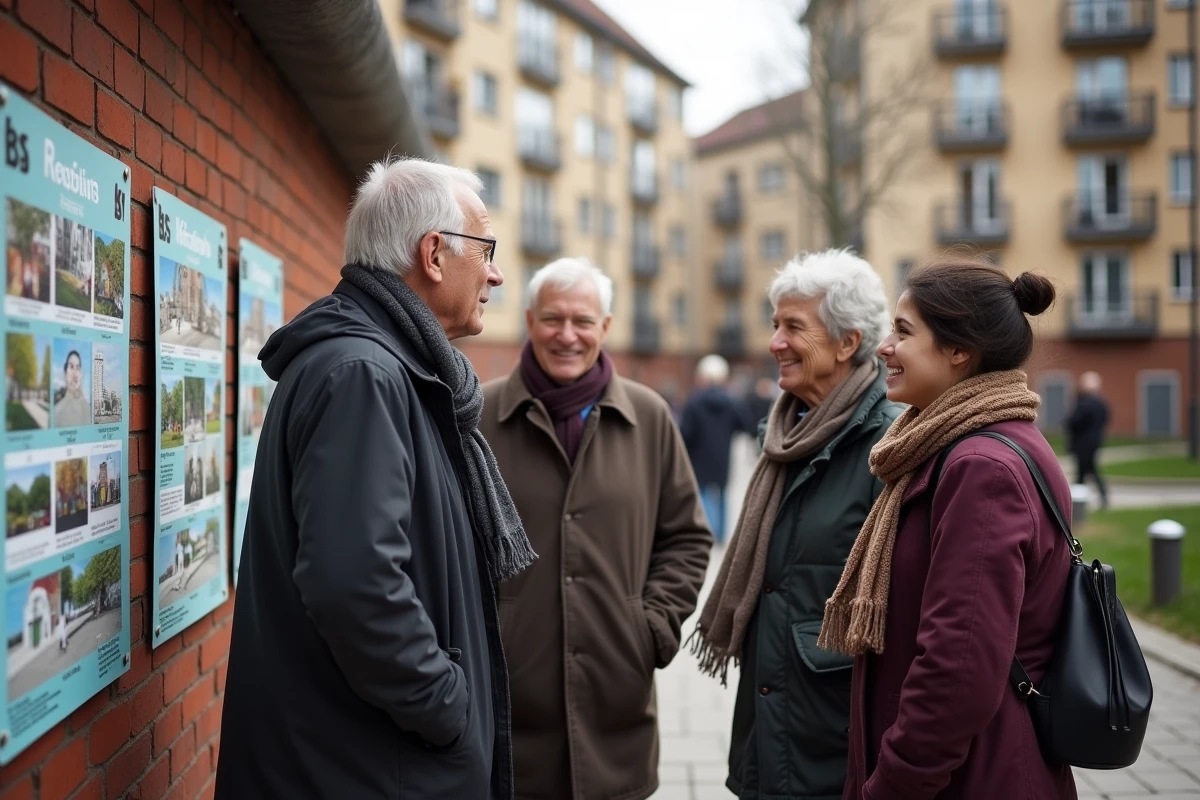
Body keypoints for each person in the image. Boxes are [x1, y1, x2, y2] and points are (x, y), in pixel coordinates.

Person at [216, 157, 536, 800]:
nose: (496, 273)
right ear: (435, 255)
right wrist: (448, 708)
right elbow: (353, 583)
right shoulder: (363, 374)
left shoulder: (385, 367)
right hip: (364, 767)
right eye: (487, 249)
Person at [822, 254, 1078, 799]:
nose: (884, 347)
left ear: (960, 352)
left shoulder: (980, 467)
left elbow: (958, 667)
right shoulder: (955, 446)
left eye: (903, 332)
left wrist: (892, 784)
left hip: (973, 778)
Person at [479, 257, 711, 800]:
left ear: (605, 328)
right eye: (553, 319)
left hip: (617, 705)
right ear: (530, 320)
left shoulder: (649, 416)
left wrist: (649, 627)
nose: (567, 335)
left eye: (583, 321)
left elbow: (687, 538)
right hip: (508, 706)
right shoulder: (480, 416)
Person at [687, 248, 899, 800]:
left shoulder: (893, 446)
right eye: (775, 324)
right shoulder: (783, 434)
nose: (774, 342)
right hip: (772, 722)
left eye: (792, 327)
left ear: (848, 342)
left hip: (837, 738)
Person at [679, 354, 756, 545]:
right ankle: (720, 535)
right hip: (722, 457)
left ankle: (709, 531)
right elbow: (745, 424)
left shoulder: (694, 401)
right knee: (722, 496)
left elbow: (685, 432)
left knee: (704, 494)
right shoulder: (731, 401)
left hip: (699, 457)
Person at [1066, 370, 1110, 509]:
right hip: (1094, 442)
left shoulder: (1084, 403)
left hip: (1083, 444)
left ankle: (1076, 500)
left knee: (1087, 470)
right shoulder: (1101, 403)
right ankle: (1077, 500)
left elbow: (1074, 421)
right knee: (1084, 472)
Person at [53, 350, 90, 427]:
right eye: (71, 367)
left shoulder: (88, 409)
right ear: (65, 372)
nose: (75, 373)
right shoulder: (56, 413)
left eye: (78, 367)